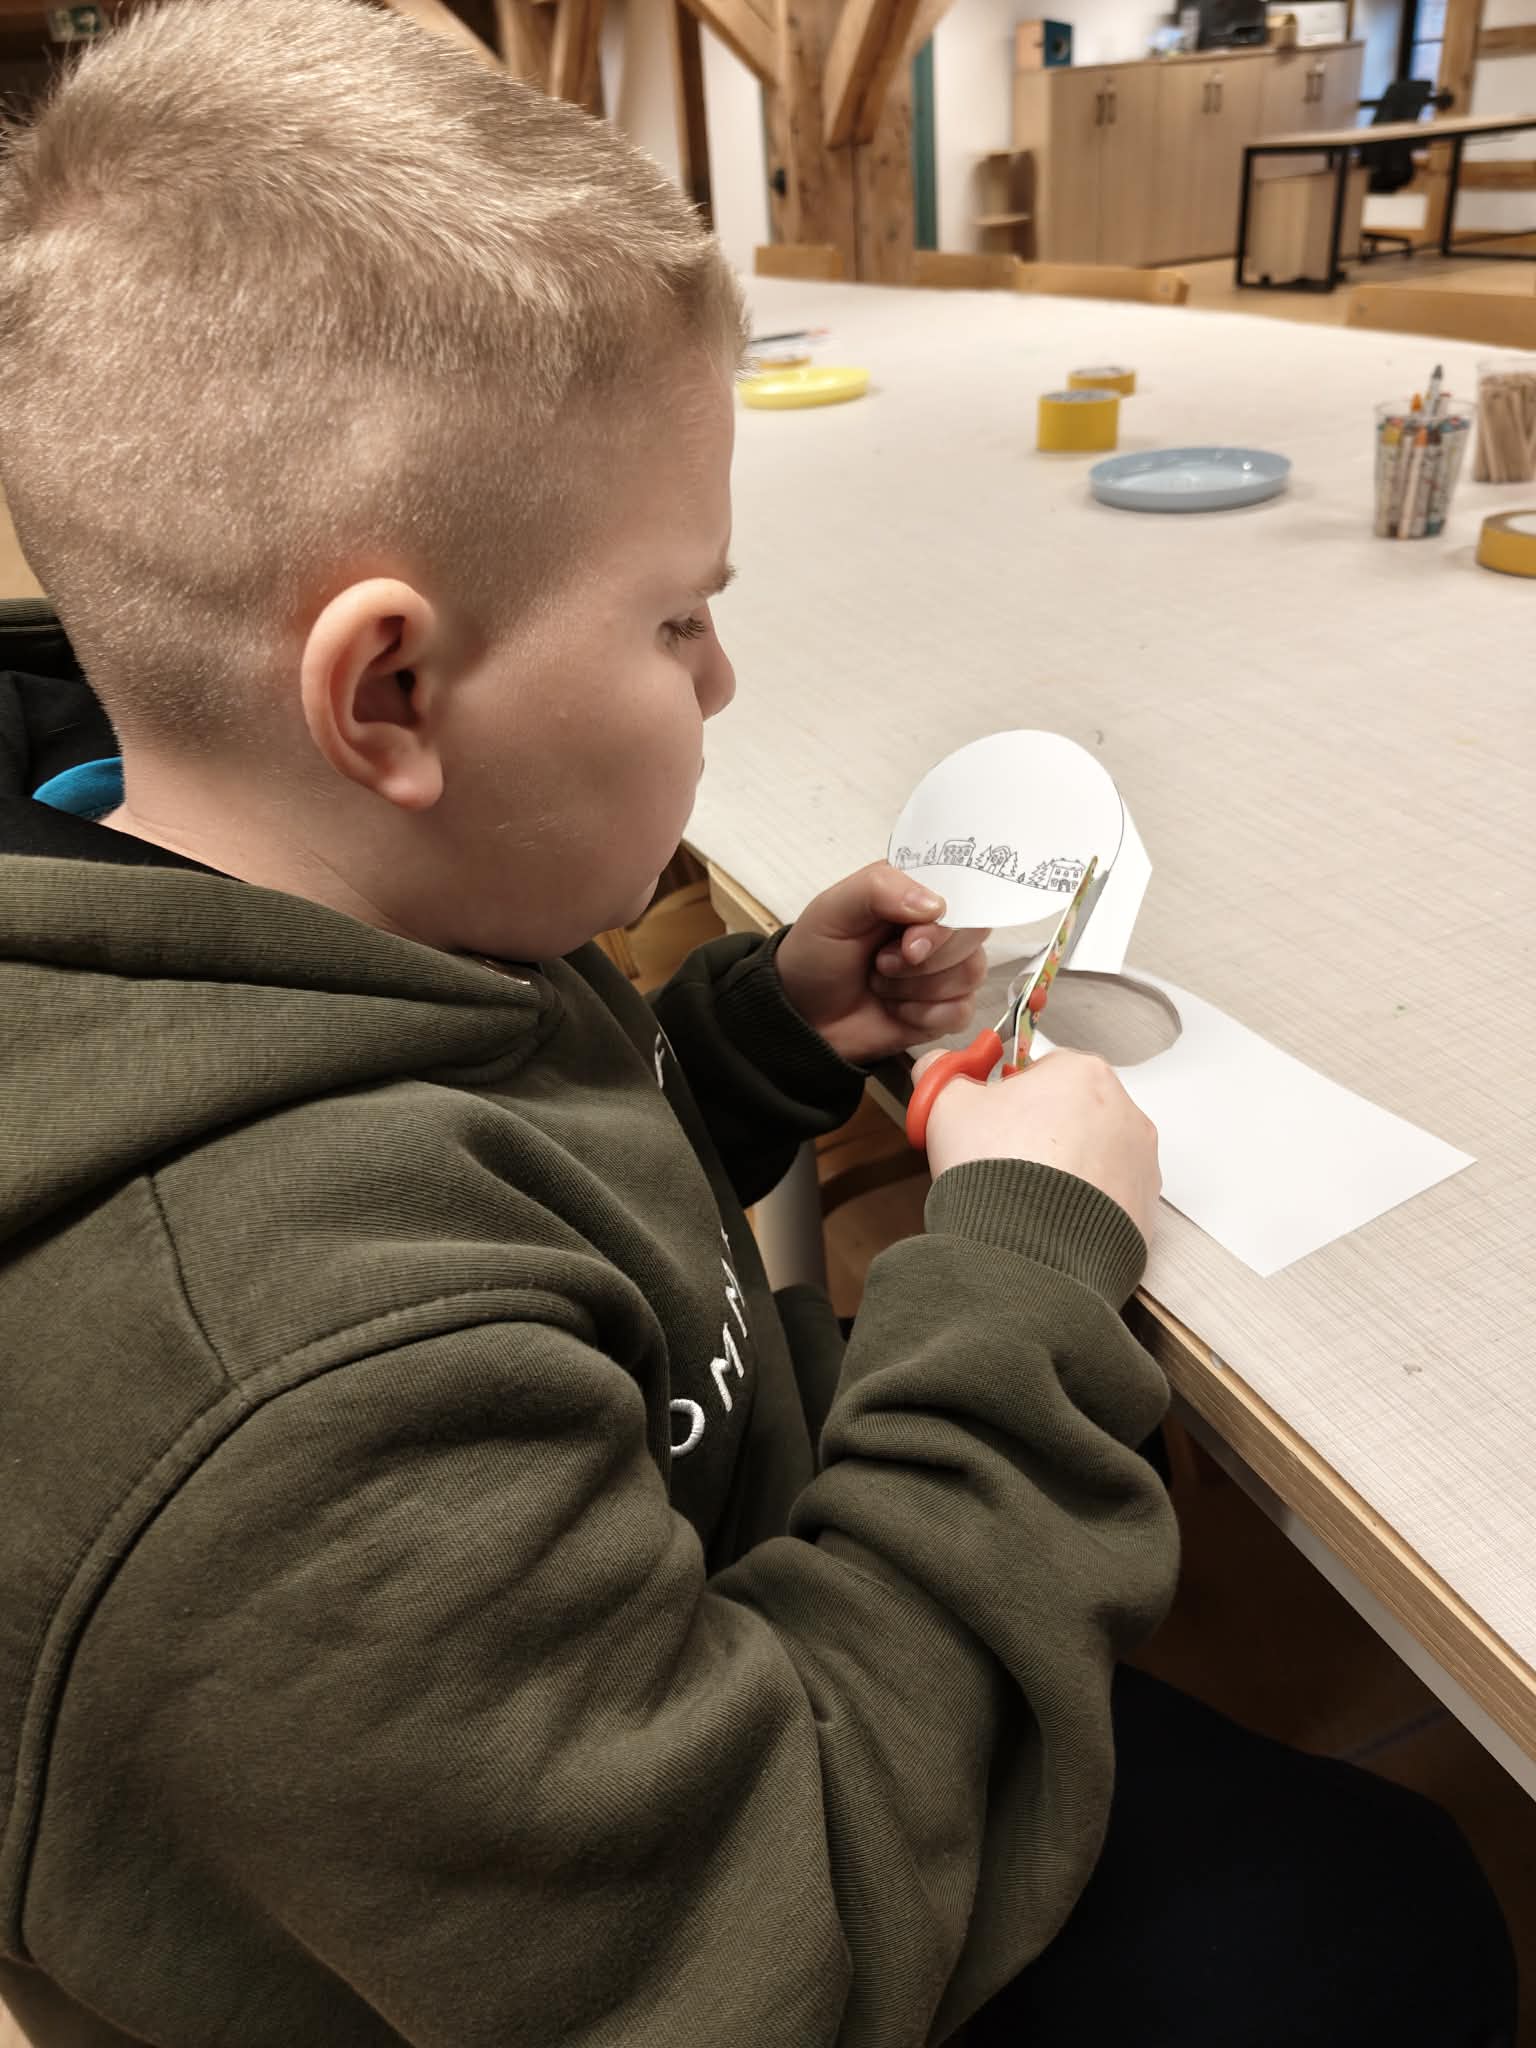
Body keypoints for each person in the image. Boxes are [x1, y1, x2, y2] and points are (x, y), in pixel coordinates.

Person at [0, 4, 1514, 2043]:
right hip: (755, 1894)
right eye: (678, 616)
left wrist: (759, 1034)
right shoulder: (282, 1397)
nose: (719, 681)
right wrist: (1019, 1265)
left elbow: (516, 1176)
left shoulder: (334, 887)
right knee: (1386, 1917)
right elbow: (759, 1951)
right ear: (390, 696)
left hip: (666, 1652)